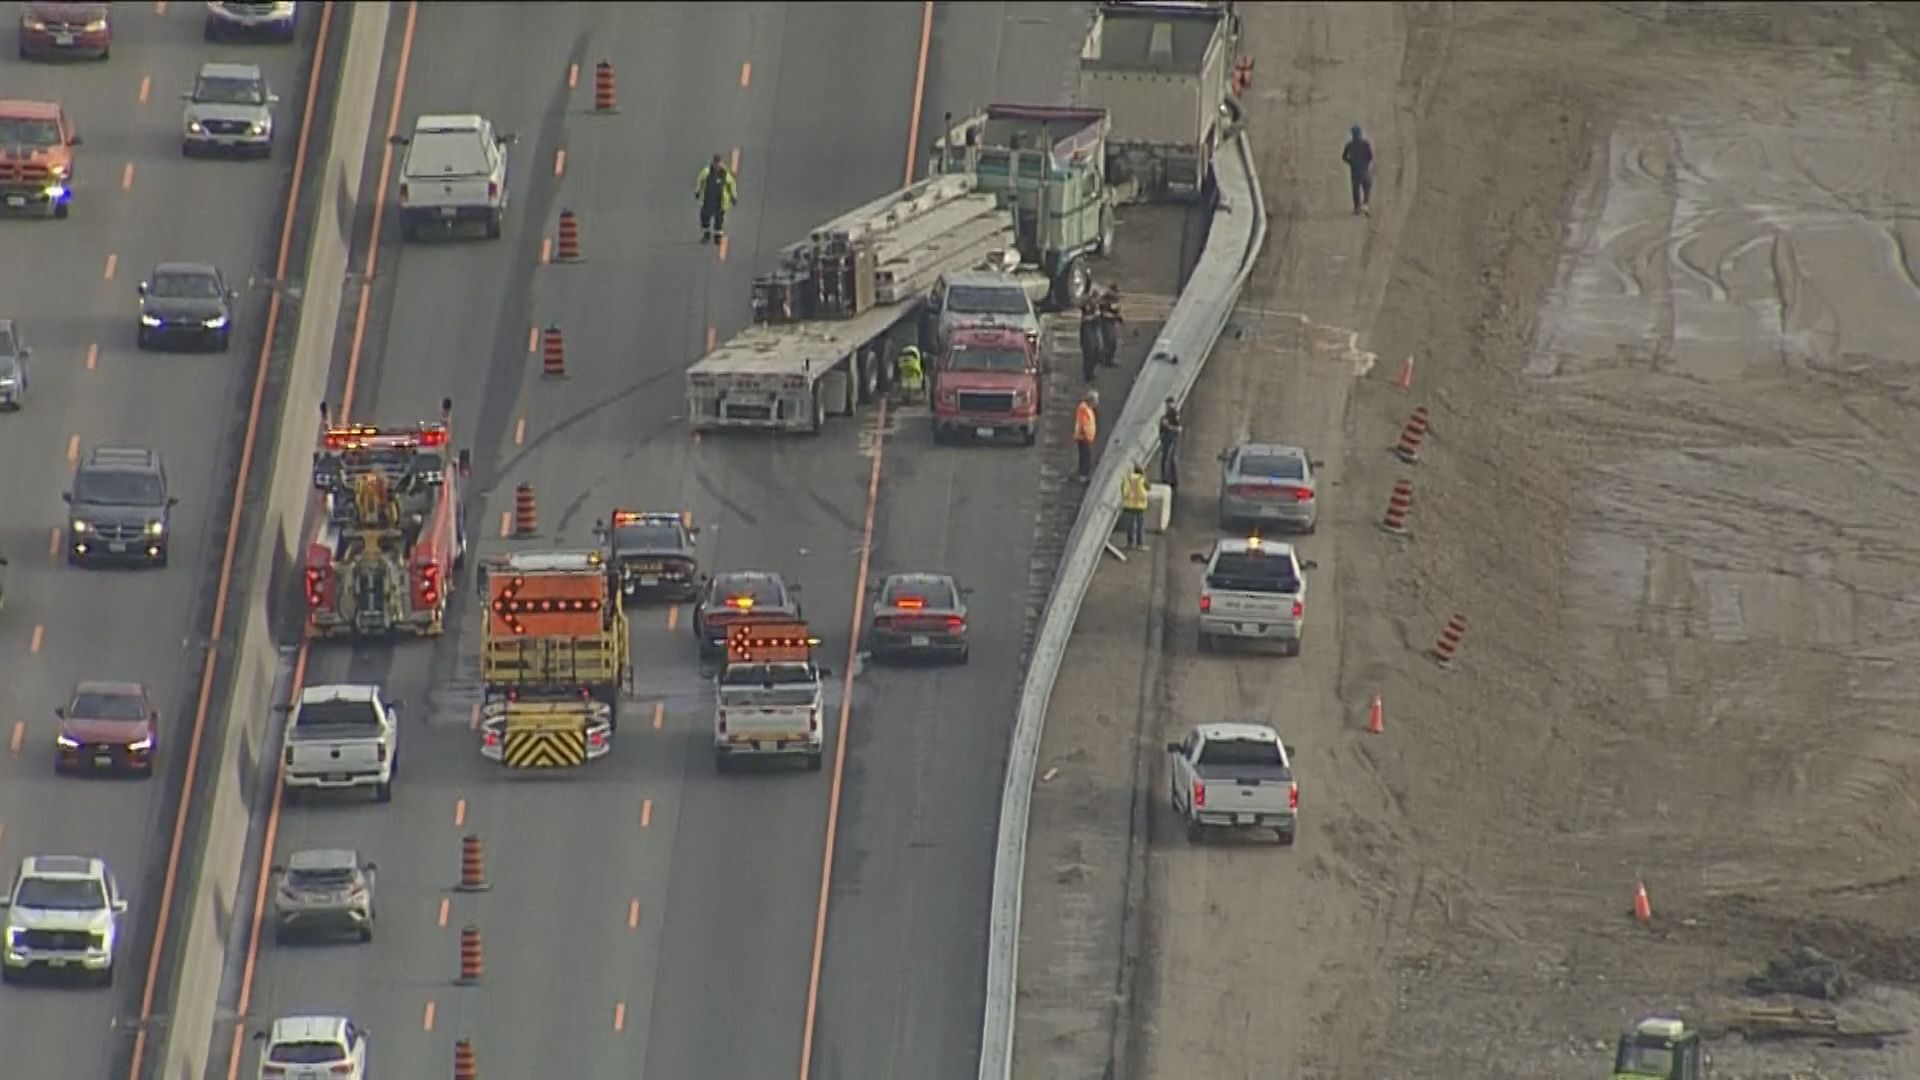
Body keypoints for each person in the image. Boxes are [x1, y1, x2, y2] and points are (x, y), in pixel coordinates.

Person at [694, 154, 737, 244]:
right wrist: (697, 191)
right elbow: (699, 180)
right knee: (705, 218)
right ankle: (706, 235)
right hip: (707, 200)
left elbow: (732, 184)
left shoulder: (725, 173)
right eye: (716, 163)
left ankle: (718, 237)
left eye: (719, 163)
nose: (717, 165)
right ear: (713, 163)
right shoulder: (706, 172)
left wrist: (733, 196)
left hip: (720, 202)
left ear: (721, 163)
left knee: (719, 220)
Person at [1341, 124, 1373, 216]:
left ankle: (1357, 208)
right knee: (1367, 186)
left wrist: (1351, 162)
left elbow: (1344, 157)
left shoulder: (1349, 145)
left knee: (1356, 190)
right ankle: (1365, 203)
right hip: (1364, 169)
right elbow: (1370, 156)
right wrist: (1366, 164)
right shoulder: (1365, 144)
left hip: (1355, 171)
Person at [1121, 463, 1151, 549]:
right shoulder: (1141, 479)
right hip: (1140, 505)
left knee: (1130, 526)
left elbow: (1124, 491)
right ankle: (1140, 544)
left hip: (1129, 505)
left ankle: (1130, 543)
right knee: (1140, 525)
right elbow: (1148, 488)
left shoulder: (1127, 478)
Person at [1157, 397, 1183, 487]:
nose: (1168, 406)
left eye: (1170, 404)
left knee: (1167, 458)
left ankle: (1167, 479)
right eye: (1167, 404)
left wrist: (1168, 426)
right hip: (1165, 439)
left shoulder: (1174, 415)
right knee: (1168, 459)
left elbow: (1179, 428)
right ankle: (1170, 479)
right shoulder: (1166, 416)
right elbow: (1161, 429)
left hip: (1171, 439)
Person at [1095, 287, 1124, 368]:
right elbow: (1101, 312)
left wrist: (1119, 318)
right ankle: (1106, 359)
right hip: (1105, 322)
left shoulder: (1115, 303)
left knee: (1111, 341)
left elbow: (1117, 312)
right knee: (1109, 341)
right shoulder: (1104, 302)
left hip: (1110, 322)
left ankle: (1106, 359)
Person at [1073, 390, 1099, 481]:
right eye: (1095, 401)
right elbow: (1084, 424)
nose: (1096, 404)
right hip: (1083, 438)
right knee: (1085, 457)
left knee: (1084, 456)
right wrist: (1088, 436)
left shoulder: (1087, 408)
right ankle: (1083, 476)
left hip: (1085, 438)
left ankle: (1083, 474)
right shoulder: (1084, 409)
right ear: (1091, 400)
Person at [1077, 299, 1102, 384]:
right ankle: (1088, 374)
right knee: (1089, 351)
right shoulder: (1086, 306)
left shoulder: (1097, 306)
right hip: (1088, 327)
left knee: (1096, 349)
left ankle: (1091, 372)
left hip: (1094, 326)